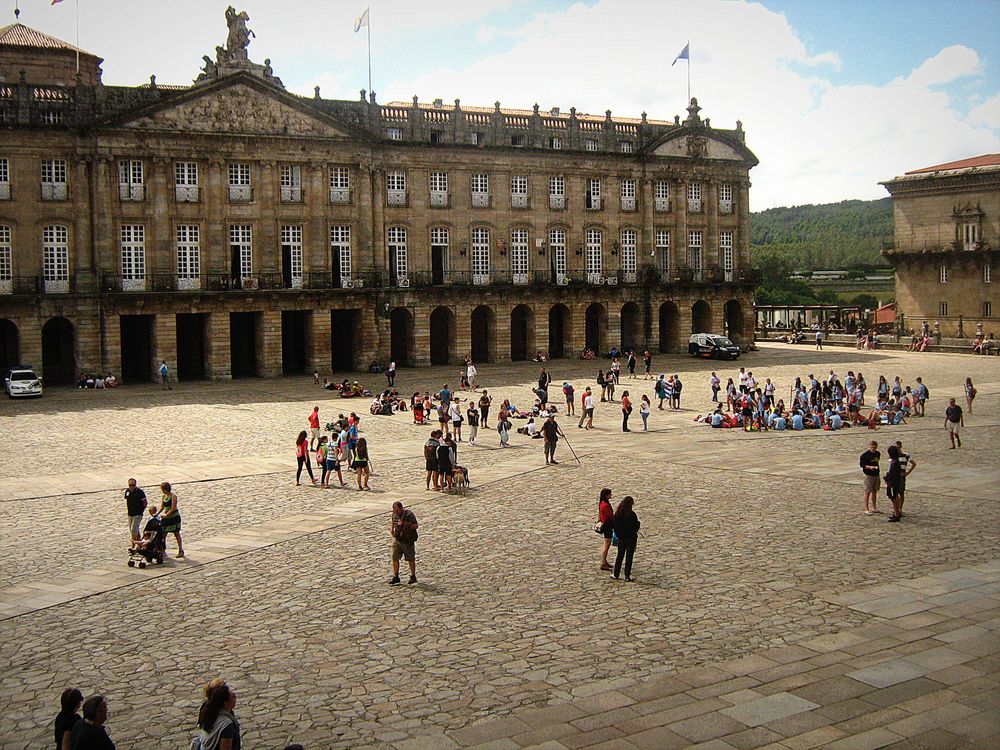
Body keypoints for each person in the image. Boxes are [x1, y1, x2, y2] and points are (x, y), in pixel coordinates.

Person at [196, 683, 240, 750]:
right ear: (225, 701)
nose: (236, 697)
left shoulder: (207, 708)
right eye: (233, 696)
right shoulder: (226, 725)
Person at [611, 496, 640, 582]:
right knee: (629, 556)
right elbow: (636, 526)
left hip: (622, 538)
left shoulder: (618, 514)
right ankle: (627, 575)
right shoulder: (632, 515)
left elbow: (615, 527)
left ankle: (616, 574)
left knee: (620, 555)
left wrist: (619, 535)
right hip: (631, 538)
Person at [389, 501, 418, 584]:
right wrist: (392, 530)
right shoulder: (394, 514)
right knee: (395, 557)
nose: (396, 512)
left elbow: (415, 525)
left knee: (410, 558)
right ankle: (396, 576)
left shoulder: (409, 515)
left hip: (407, 540)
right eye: (394, 511)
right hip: (398, 539)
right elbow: (393, 522)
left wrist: (404, 524)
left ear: (401, 508)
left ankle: (413, 576)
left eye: (397, 510)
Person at [158, 481, 185, 557]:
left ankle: (180, 550)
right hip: (166, 518)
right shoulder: (164, 497)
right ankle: (163, 550)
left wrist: (166, 515)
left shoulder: (173, 496)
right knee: (163, 534)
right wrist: (157, 514)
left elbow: (173, 508)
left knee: (176, 533)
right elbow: (162, 507)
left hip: (174, 517)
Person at [894, 439, 916, 521]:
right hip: (895, 475)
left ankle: (900, 508)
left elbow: (913, 463)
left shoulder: (905, 455)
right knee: (895, 493)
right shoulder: (893, 456)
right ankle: (897, 508)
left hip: (901, 475)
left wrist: (907, 473)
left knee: (901, 492)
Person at [860, 441, 881, 515]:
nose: (873, 449)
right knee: (867, 491)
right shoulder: (865, 455)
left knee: (875, 491)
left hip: (876, 474)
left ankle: (874, 508)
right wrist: (869, 467)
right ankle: (866, 508)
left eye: (874, 448)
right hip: (869, 475)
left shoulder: (878, 454)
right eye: (872, 447)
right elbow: (862, 465)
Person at [884, 444, 904, 523]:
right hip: (896, 482)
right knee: (895, 497)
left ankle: (896, 514)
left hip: (892, 483)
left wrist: (886, 478)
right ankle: (897, 512)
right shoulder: (896, 461)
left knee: (893, 498)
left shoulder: (894, 463)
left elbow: (891, 473)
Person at [124, 478, 147, 544]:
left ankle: (134, 545)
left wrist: (141, 510)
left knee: (133, 530)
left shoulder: (140, 492)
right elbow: (127, 499)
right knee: (135, 530)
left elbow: (145, 502)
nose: (131, 487)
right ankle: (139, 542)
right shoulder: (127, 491)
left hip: (138, 514)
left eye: (133, 485)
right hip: (130, 514)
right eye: (130, 485)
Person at [597, 488, 614, 571]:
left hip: (605, 524)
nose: (611, 495)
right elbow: (611, 515)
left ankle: (604, 561)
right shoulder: (605, 505)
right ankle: (603, 562)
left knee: (606, 543)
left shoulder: (602, 503)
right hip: (607, 526)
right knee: (607, 544)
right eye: (610, 494)